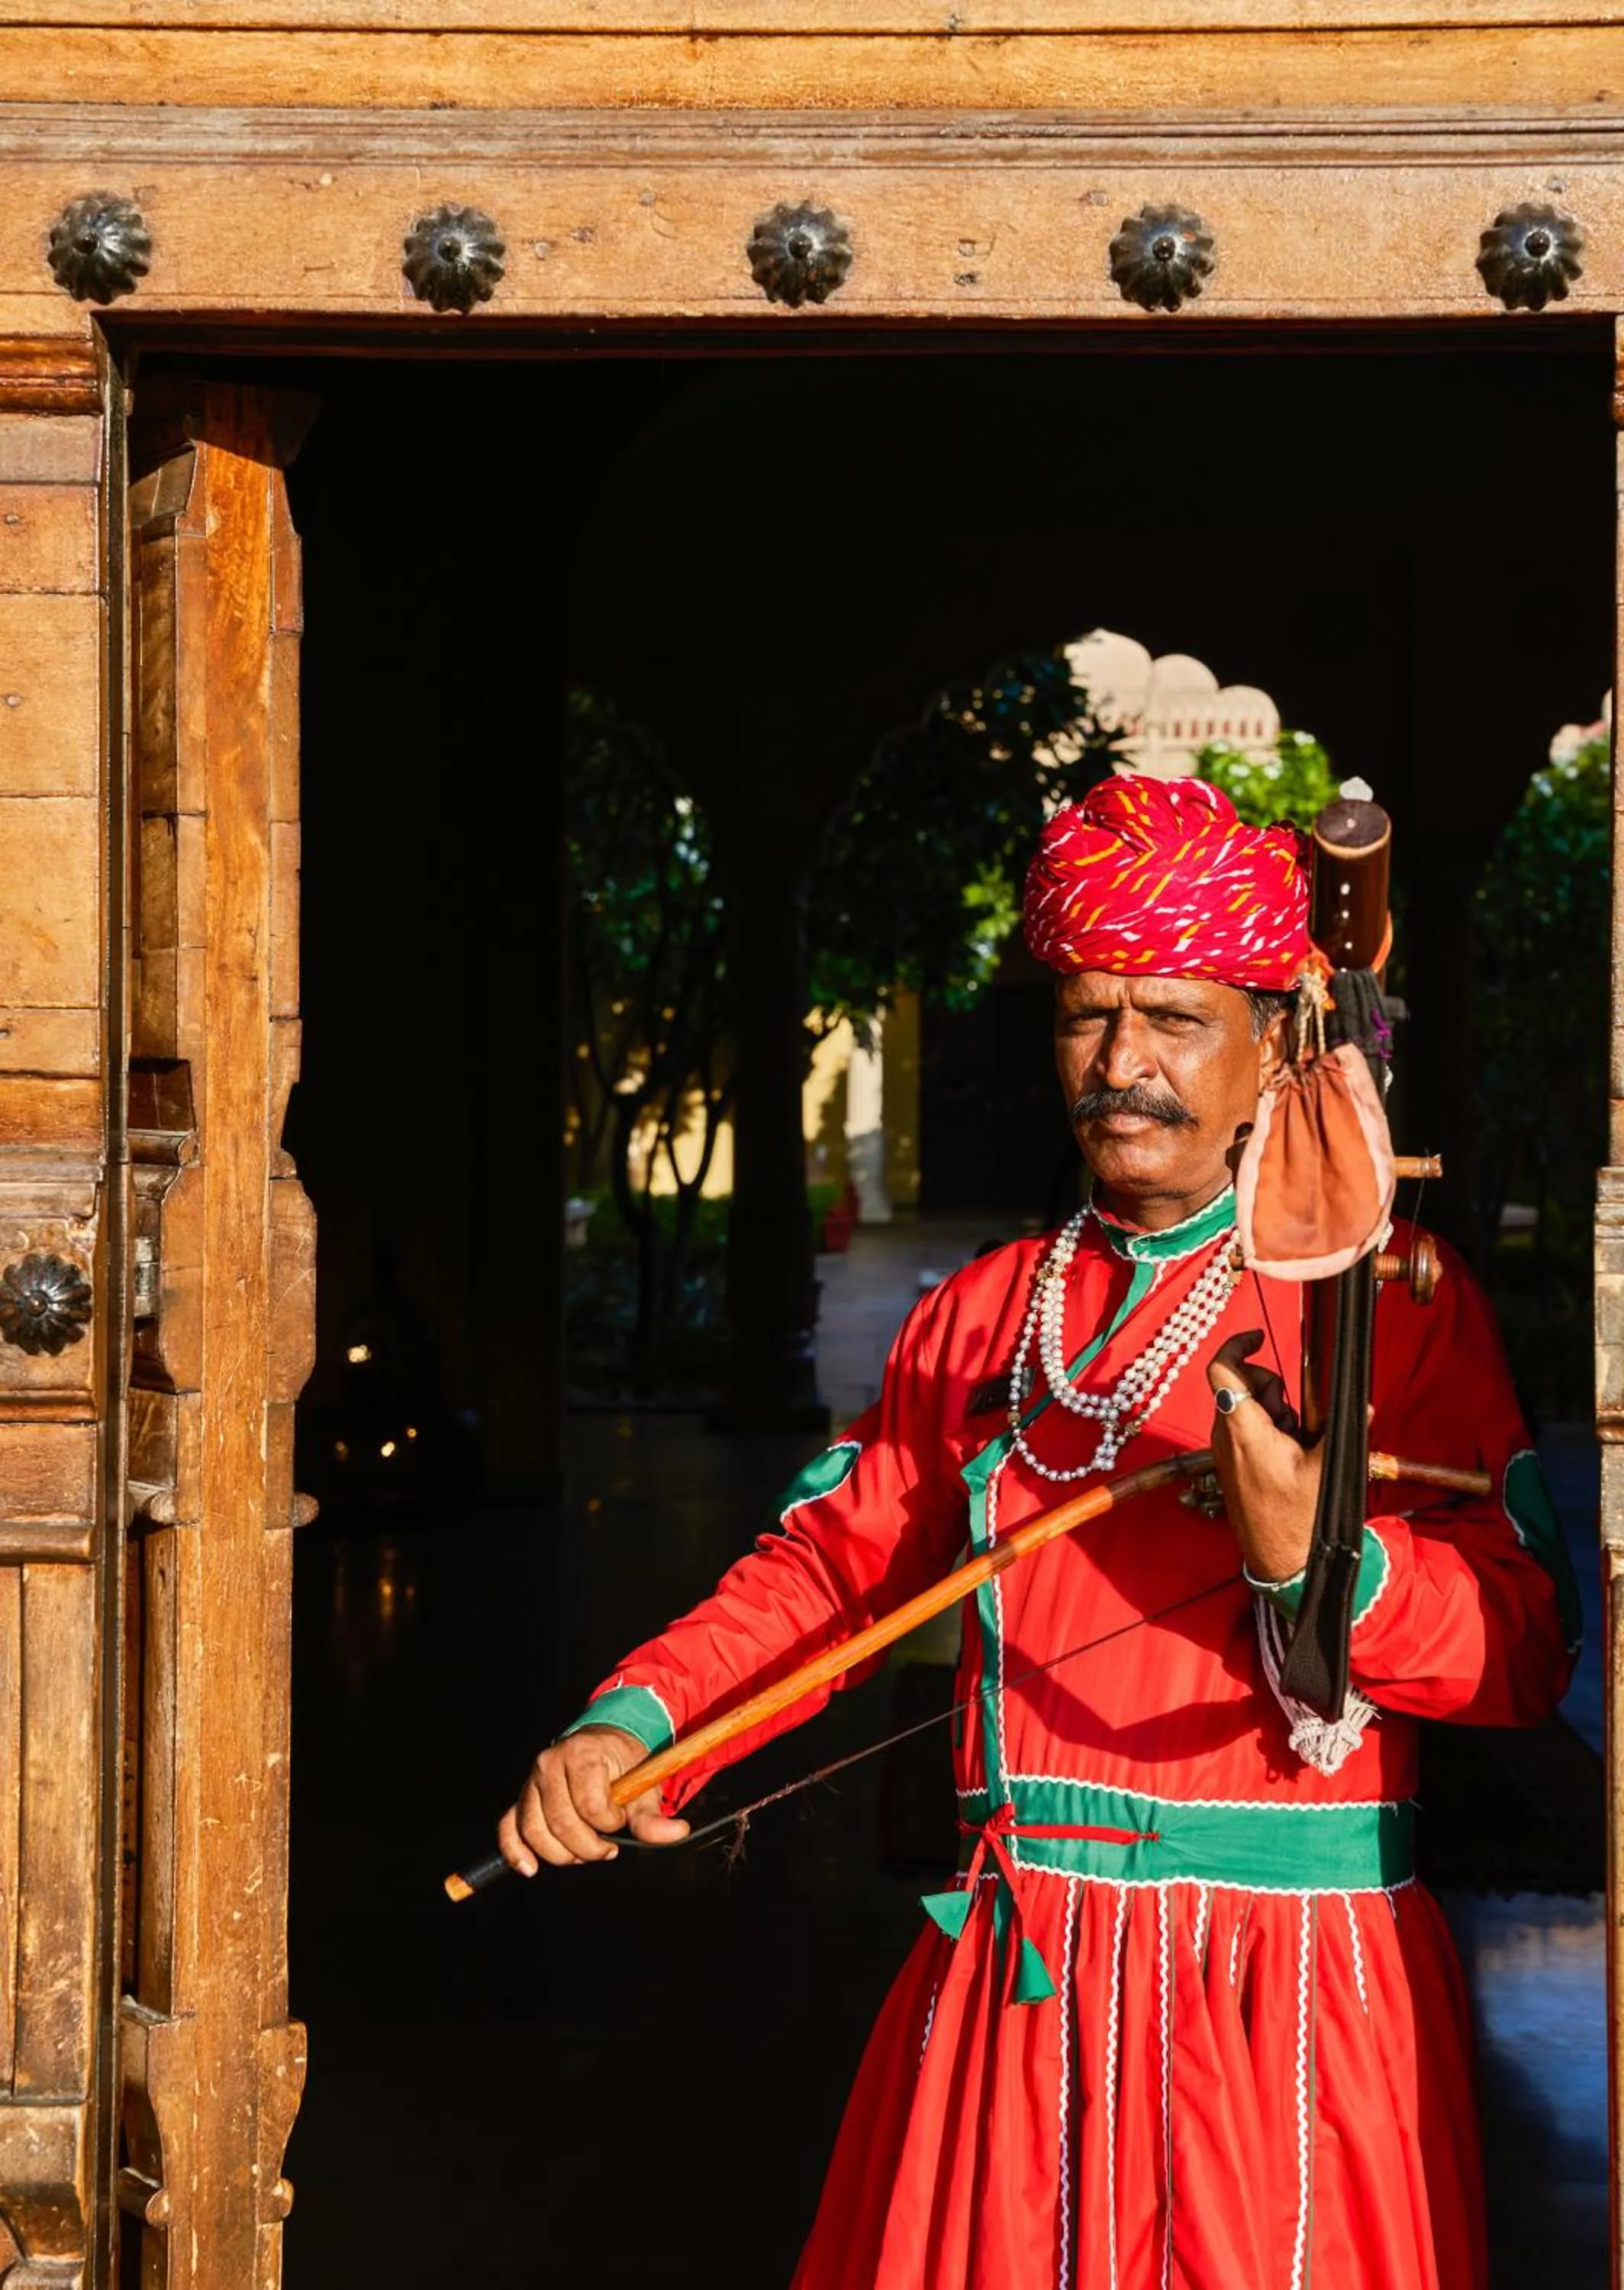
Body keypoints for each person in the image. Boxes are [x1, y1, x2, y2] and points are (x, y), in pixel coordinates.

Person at [499, 775, 1579, 2289]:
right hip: (1019, 1981)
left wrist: (1325, 1566)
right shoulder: (984, 1313)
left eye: (1174, 1019)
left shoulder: (1387, 1299)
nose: (1120, 1062)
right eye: (1085, 1017)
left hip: (1290, 2002)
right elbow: (827, 1568)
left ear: (1273, 1035)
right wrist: (641, 1723)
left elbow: (1523, 1652)